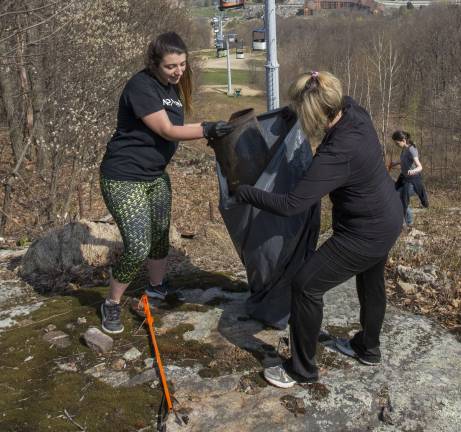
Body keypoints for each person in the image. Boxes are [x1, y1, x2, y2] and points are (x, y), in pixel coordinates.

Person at [235, 71, 403, 388]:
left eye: (300, 110)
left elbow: (291, 204)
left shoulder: (336, 153)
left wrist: (246, 193)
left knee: (306, 285)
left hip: (363, 233)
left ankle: (302, 369)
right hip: (388, 216)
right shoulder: (353, 110)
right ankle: (368, 348)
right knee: (370, 280)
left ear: (313, 112)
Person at [99, 32, 233, 334]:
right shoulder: (140, 86)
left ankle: (156, 288)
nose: (179, 71)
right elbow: (167, 130)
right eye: (172, 66)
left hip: (155, 175)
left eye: (183, 64)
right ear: (154, 63)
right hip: (124, 177)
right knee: (137, 246)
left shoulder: (172, 87)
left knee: (160, 237)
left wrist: (206, 134)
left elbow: (174, 131)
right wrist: (207, 128)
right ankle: (111, 304)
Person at [389, 130, 429, 227]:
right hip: (404, 179)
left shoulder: (412, 150)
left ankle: (408, 222)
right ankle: (402, 220)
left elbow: (420, 166)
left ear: (403, 140)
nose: (396, 145)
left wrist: (413, 171)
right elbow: (404, 160)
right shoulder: (404, 149)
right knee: (394, 195)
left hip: (413, 181)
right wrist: (396, 163)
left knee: (400, 197)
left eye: (397, 143)